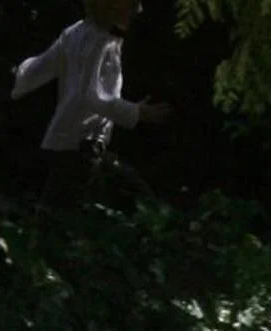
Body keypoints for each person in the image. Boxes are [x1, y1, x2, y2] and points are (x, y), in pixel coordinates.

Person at [11, 0, 171, 203]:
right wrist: (136, 112)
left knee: (60, 208)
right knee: (64, 214)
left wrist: (20, 74)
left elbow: (42, 66)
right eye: (131, 4)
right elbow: (92, 96)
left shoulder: (76, 32)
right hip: (82, 145)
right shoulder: (100, 42)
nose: (138, 10)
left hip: (71, 143)